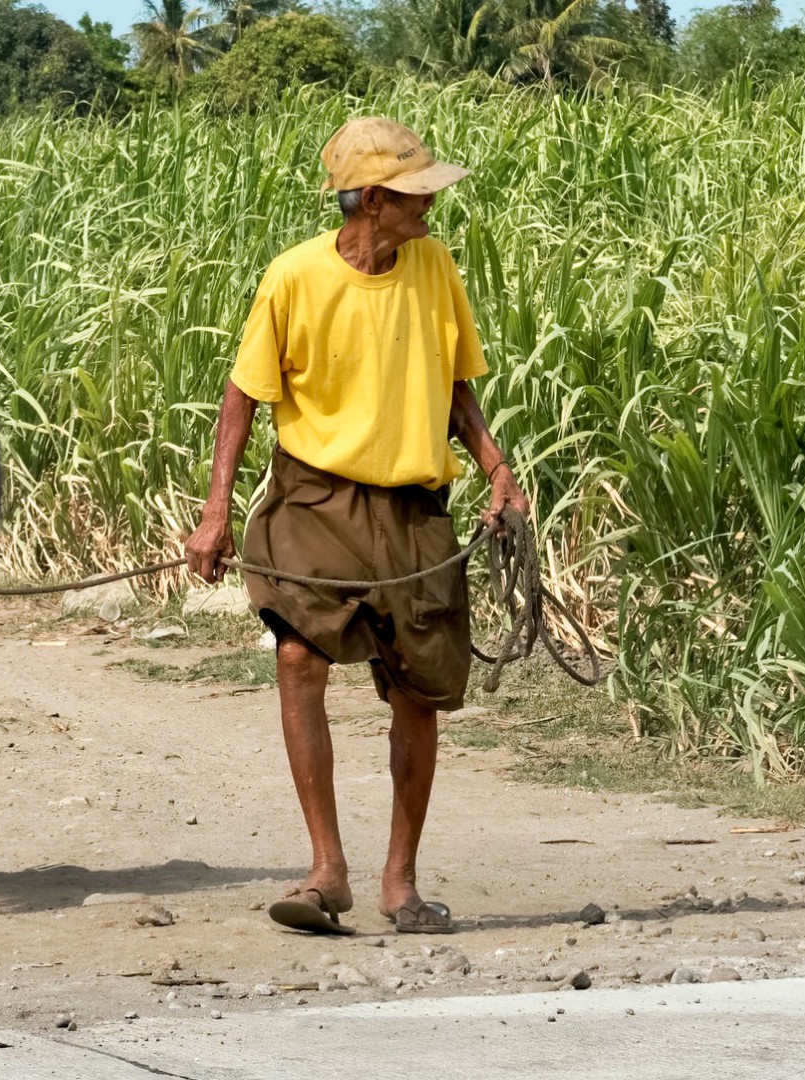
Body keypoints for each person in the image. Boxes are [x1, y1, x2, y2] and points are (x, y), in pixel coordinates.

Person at [184, 117, 529, 935]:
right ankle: (325, 870)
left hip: (413, 508)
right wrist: (215, 509)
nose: (430, 208)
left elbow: (454, 385)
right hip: (314, 497)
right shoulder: (294, 278)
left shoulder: (434, 268)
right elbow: (245, 395)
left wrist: (498, 470)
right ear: (372, 201)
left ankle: (399, 883)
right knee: (299, 655)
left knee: (419, 691)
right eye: (416, 195)